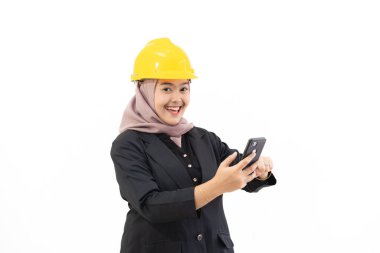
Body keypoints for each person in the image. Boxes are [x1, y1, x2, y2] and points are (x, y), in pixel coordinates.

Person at [110, 38, 276, 253]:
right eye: (167, 89)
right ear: (145, 91)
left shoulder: (203, 138)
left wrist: (259, 170)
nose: (177, 99)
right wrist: (217, 186)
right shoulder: (128, 145)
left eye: (183, 88)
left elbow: (238, 173)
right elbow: (150, 206)